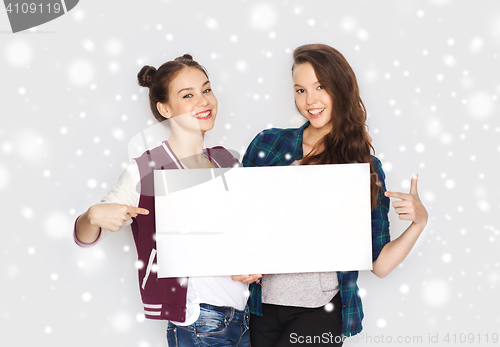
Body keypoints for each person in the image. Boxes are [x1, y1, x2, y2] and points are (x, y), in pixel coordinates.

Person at [241, 43, 428, 346]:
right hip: (262, 308)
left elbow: (379, 264)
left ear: (340, 90)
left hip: (320, 312)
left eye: (320, 87)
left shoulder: (362, 166)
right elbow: (239, 220)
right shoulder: (268, 145)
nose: (310, 100)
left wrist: (418, 223)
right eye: (300, 90)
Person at [74, 54, 252, 347]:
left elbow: (244, 232)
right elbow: (85, 237)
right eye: (188, 95)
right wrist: (91, 217)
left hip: (244, 316)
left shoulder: (229, 160)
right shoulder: (145, 169)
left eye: (206, 90)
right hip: (199, 321)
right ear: (165, 108)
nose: (203, 101)